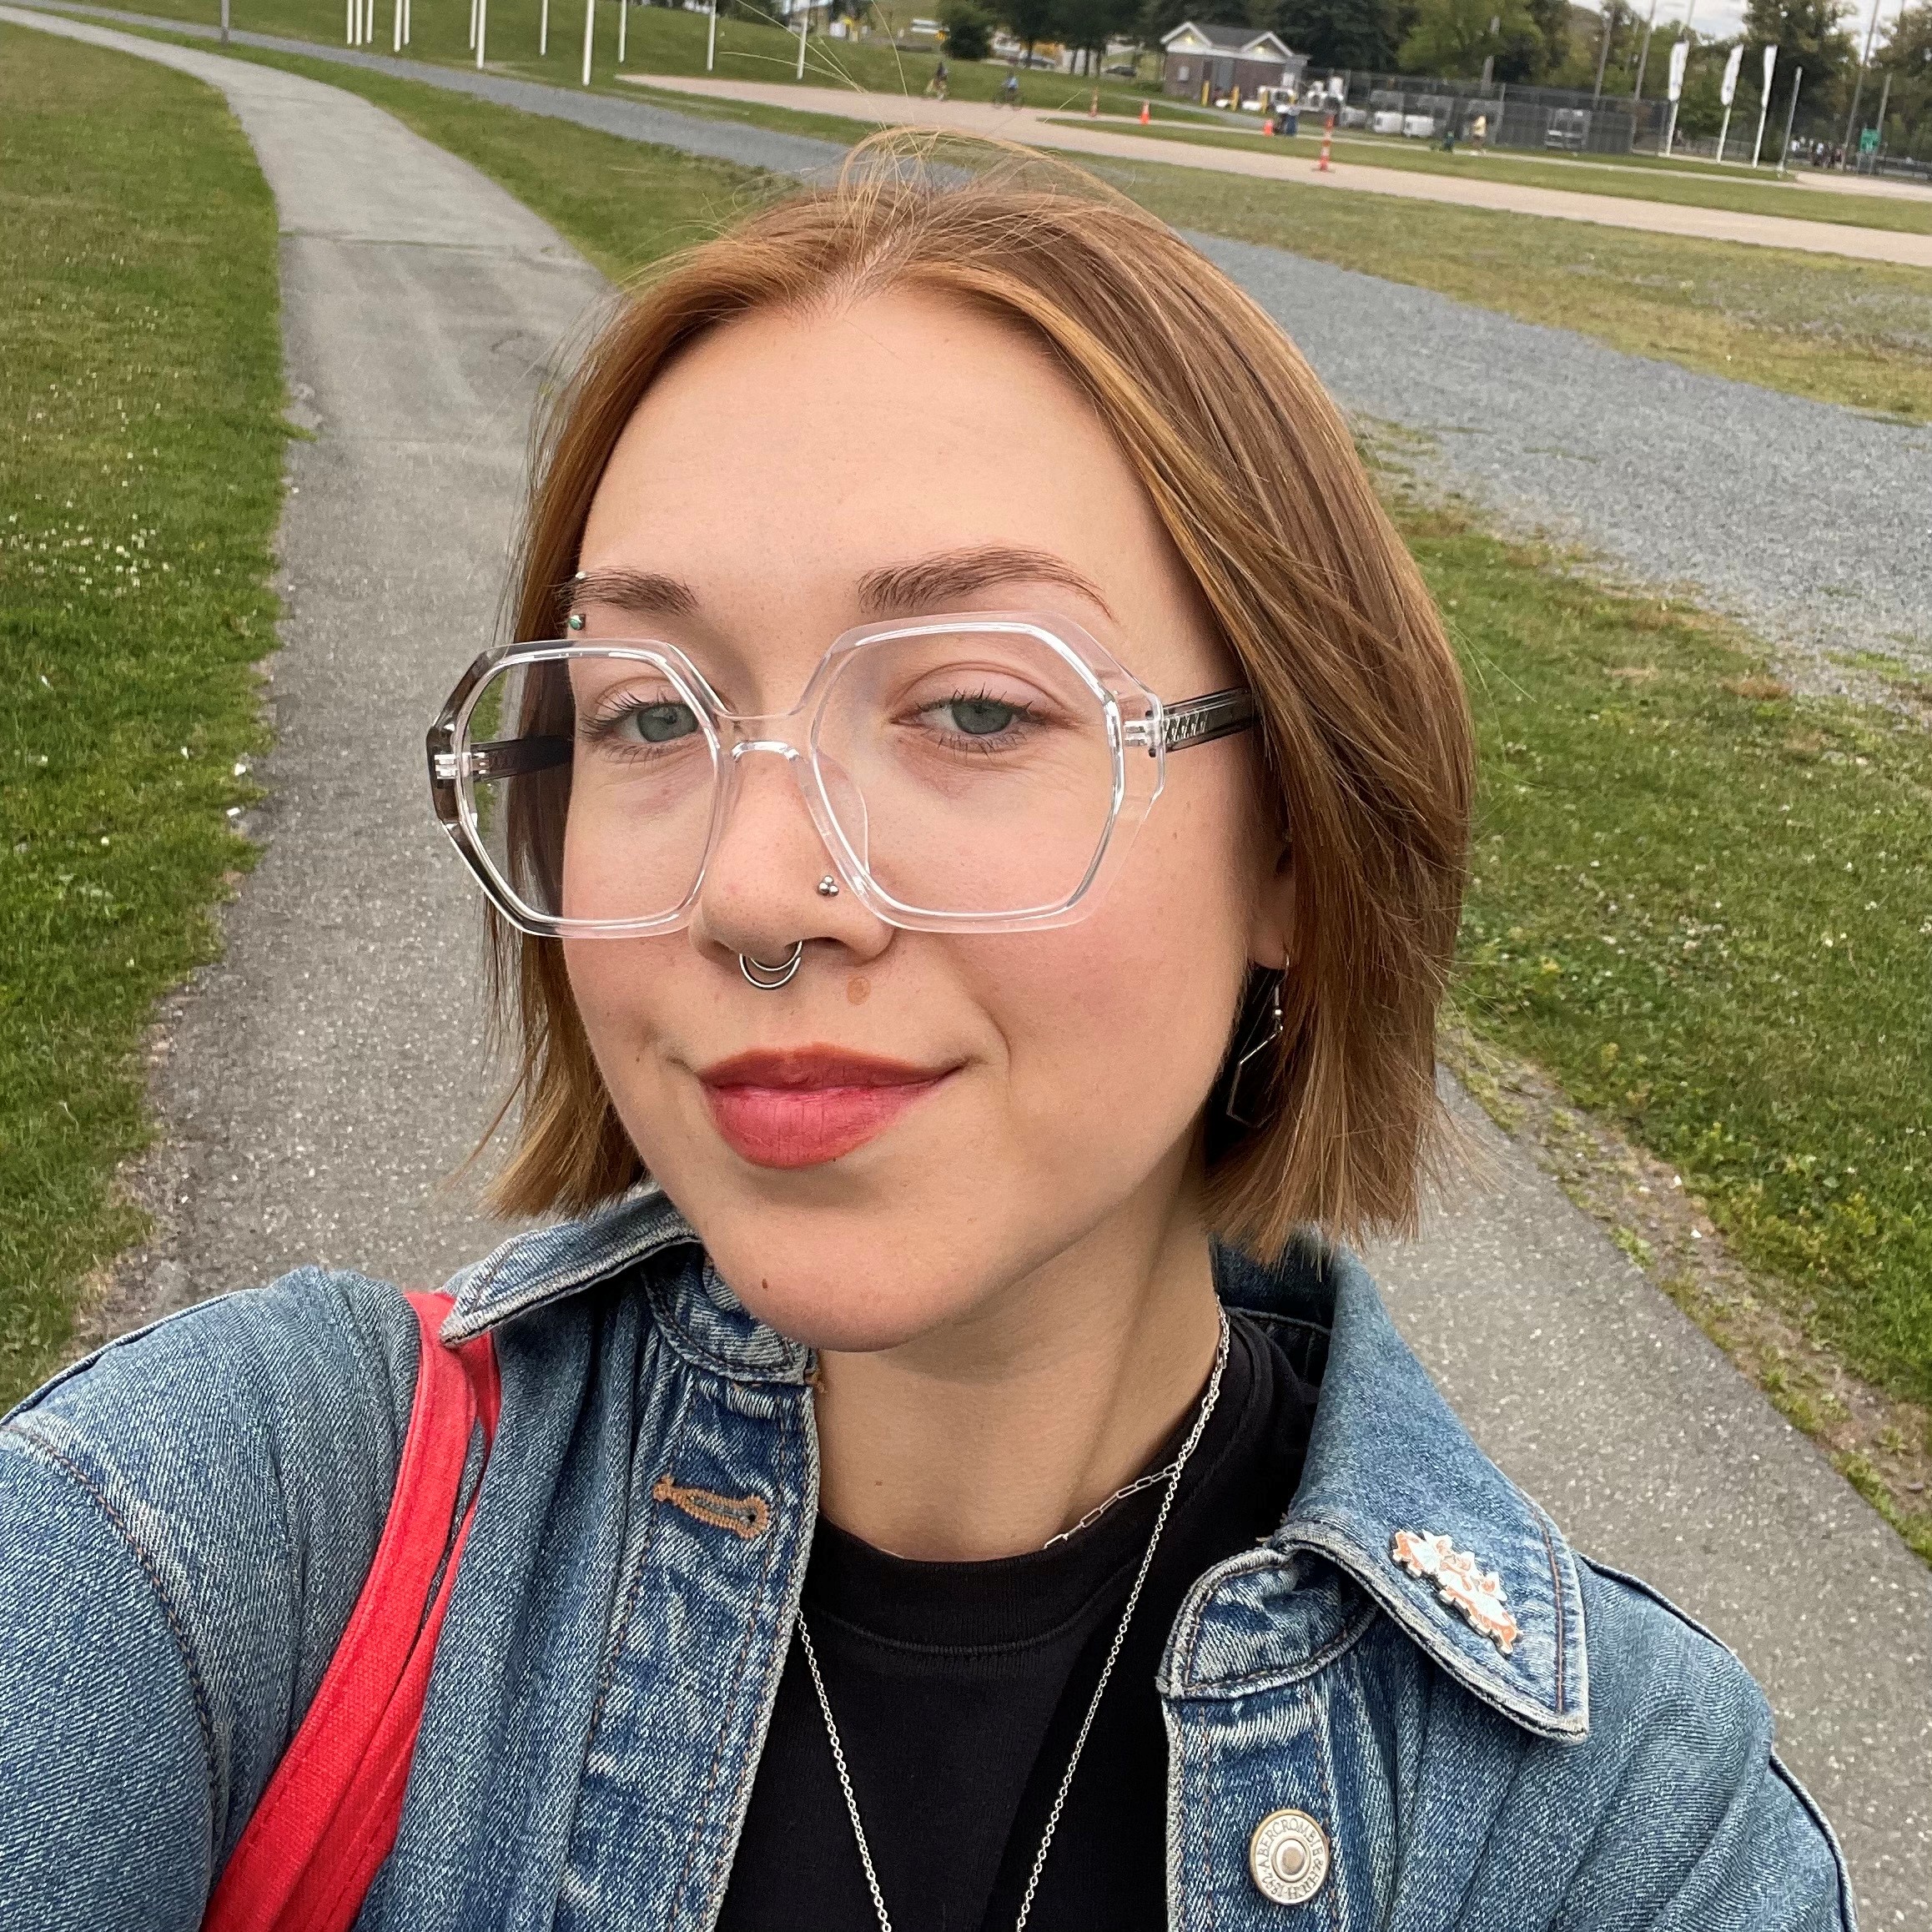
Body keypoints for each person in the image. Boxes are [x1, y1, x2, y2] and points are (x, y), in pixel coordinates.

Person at [0, 142, 1854, 1931]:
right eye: (649, 717)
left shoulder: (1626, 1839)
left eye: (973, 707)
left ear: (1297, 835)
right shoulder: (241, 1528)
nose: (750, 888)